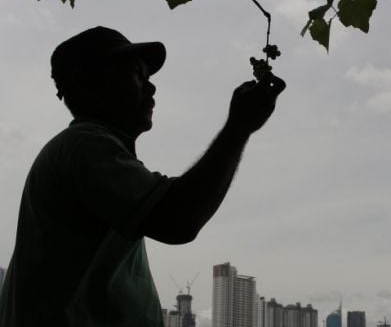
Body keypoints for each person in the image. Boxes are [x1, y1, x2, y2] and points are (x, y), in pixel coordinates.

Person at [0, 26, 285, 326]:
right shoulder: (85, 146)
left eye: (148, 77)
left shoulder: (89, 151)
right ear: (87, 83)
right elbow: (178, 219)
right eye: (136, 74)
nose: (151, 88)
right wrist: (238, 127)